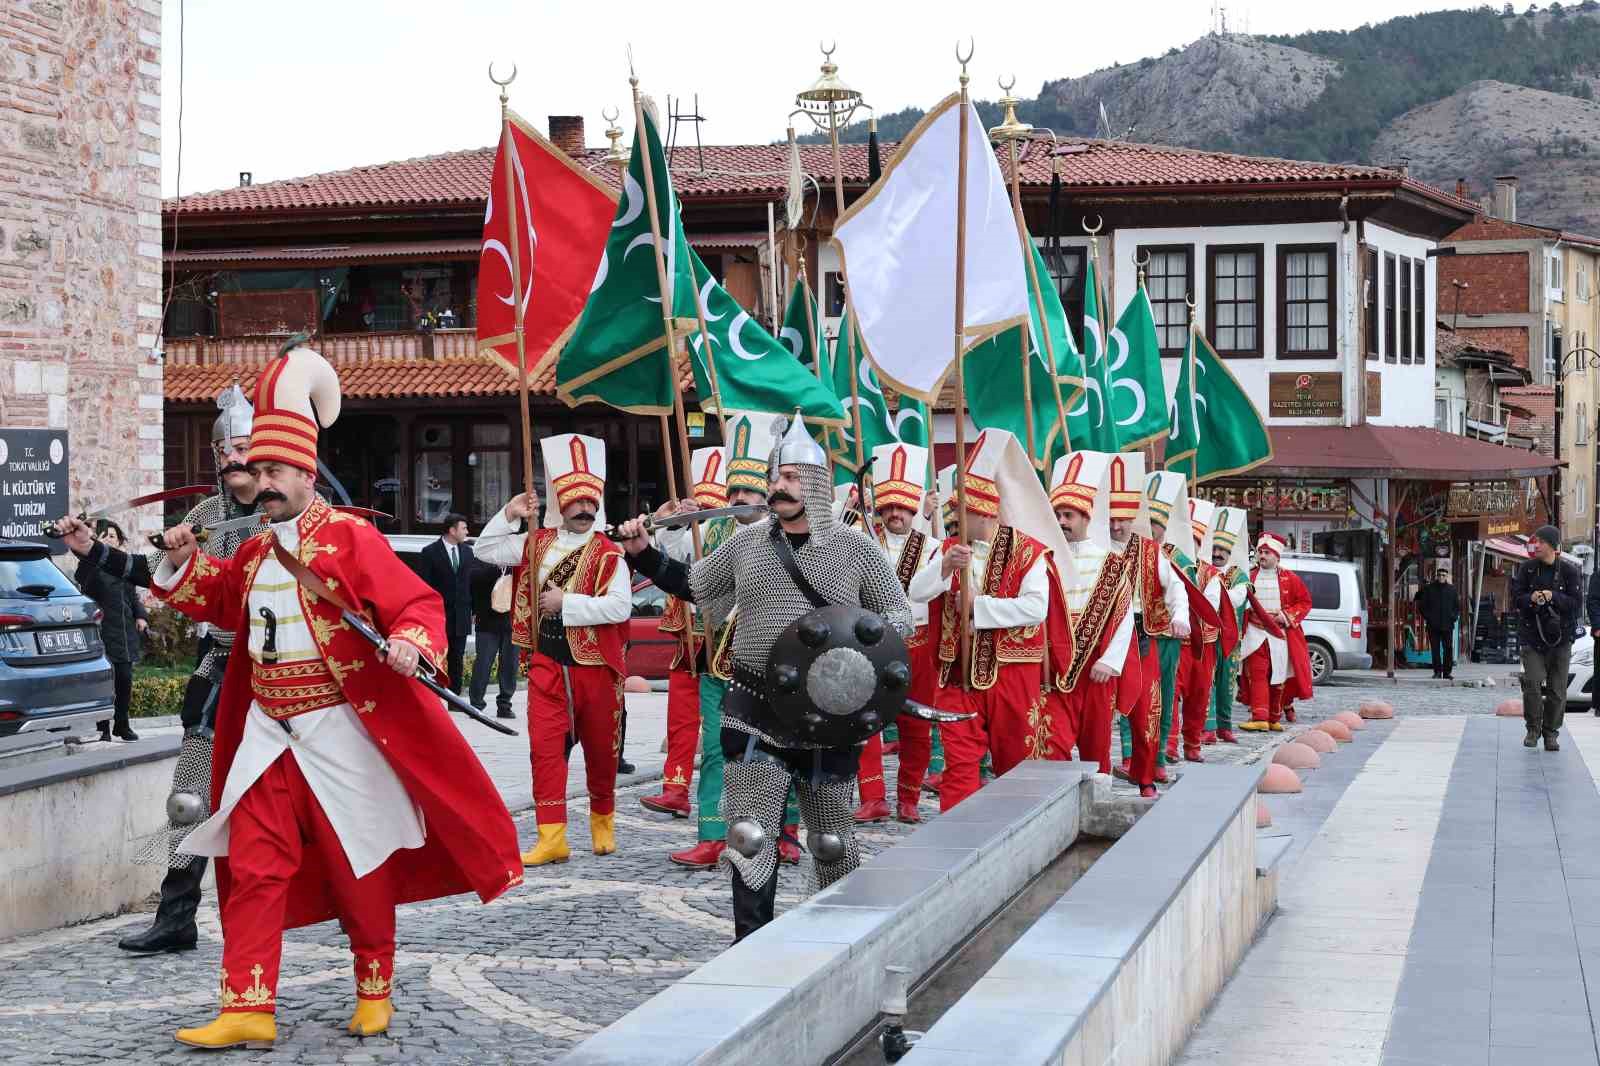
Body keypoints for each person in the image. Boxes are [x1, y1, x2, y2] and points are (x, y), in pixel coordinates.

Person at [133, 342, 522, 1049]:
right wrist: (180, 559)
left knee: (355, 859)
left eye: (275, 472)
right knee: (253, 862)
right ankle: (248, 1004)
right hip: (266, 731)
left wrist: (411, 642)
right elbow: (219, 600)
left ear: (306, 473)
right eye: (257, 472)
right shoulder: (253, 549)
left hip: (339, 726)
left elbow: (418, 604)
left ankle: (374, 982)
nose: (264, 483)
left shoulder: (351, 538)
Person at [617, 414, 912, 941]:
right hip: (756, 703)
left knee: (830, 841)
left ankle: (834, 946)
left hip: (827, 714)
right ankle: (749, 945)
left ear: (816, 484)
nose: (779, 486)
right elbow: (695, 586)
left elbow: (897, 616)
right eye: (776, 476)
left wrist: (856, 653)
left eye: (792, 477)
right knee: (749, 835)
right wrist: (643, 554)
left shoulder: (855, 548)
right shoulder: (748, 543)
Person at [55, 381, 264, 956]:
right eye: (223, 450)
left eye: (242, 446)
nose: (232, 458)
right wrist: (90, 549)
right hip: (220, 662)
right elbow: (153, 571)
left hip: (285, 668)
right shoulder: (203, 516)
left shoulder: (285, 511)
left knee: (309, 793)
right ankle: (176, 917)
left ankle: (346, 910)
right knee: (189, 798)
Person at [476, 434, 632, 866]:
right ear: (561, 504)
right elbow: (485, 550)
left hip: (596, 666)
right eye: (576, 501)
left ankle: (603, 822)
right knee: (544, 750)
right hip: (546, 662)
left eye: (590, 502)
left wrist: (568, 604)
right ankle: (552, 837)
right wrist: (510, 513)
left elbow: (620, 607)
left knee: (601, 753)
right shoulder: (536, 541)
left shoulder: (610, 554)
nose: (584, 508)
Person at [909, 429, 1073, 813]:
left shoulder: (1029, 551)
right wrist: (944, 568)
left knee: (1016, 764)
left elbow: (1036, 608)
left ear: (985, 513)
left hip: (1012, 674)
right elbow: (916, 592)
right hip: (958, 674)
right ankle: (958, 832)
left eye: (962, 513)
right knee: (959, 764)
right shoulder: (949, 549)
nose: (956, 519)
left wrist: (978, 609)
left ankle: (1015, 830)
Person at [1041, 453, 1143, 794]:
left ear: (1086, 517)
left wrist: (1110, 661)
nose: (1062, 521)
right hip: (1055, 667)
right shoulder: (1046, 558)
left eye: (1068, 515)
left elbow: (1124, 617)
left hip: (1095, 668)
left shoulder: (1111, 563)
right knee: (1052, 742)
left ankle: (1098, 804)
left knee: (1096, 744)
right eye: (1057, 515)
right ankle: (1056, 804)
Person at [640, 447, 728, 822]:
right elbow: (669, 552)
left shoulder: (738, 532)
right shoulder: (694, 530)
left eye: (710, 505)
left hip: (726, 641)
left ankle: (728, 800)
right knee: (680, 717)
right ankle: (675, 789)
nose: (704, 511)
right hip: (689, 636)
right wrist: (676, 521)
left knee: (721, 730)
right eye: (700, 504)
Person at [855, 442, 937, 825]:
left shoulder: (934, 548)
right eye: (888, 506)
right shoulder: (862, 542)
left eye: (902, 507)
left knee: (917, 725)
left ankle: (909, 798)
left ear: (914, 508)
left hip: (918, 644)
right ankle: (873, 797)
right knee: (864, 721)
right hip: (871, 644)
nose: (895, 514)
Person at [1108, 462, 1190, 786]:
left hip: (1141, 635)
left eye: (1122, 519)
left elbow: (1177, 587)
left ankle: (1147, 772)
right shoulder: (1096, 547)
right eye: (1111, 519)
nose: (1116, 526)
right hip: (1102, 636)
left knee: (1148, 705)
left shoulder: (1150, 552)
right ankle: (1103, 771)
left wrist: (1180, 616)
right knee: (1101, 710)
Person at [75, 520, 148, 742]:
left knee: (124, 680)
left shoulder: (125, 567)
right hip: (102, 632)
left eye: (113, 536)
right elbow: (81, 580)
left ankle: (122, 725)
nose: (109, 539)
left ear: (119, 541)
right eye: (104, 535)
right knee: (106, 682)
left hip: (125, 633)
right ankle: (103, 728)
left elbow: (133, 597)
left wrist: (141, 616)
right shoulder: (90, 566)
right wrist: (91, 552)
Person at [1512, 525, 1583, 751]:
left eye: (1541, 542)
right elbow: (1516, 599)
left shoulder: (1570, 571)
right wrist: (1531, 598)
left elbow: (1576, 604)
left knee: (1557, 689)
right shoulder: (1527, 569)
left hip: (1561, 638)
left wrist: (1554, 596)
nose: (1537, 545)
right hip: (1532, 636)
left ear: (1552, 545)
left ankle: (1551, 733)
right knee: (1532, 683)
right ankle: (1533, 729)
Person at [1239, 532, 1314, 731]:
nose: (1262, 556)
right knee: (1257, 673)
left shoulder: (1290, 578)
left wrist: (1286, 616)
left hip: (1279, 635)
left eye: (1267, 553)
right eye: (1260, 552)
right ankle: (1259, 717)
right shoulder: (1249, 576)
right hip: (1254, 633)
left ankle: (1273, 717)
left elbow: (1305, 602)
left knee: (1278, 675)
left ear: (1277, 556)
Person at [1172, 500, 1224, 764]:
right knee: (1170, 694)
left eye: (1193, 539)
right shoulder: (1167, 564)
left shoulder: (1210, 574)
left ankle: (1192, 744)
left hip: (1203, 645)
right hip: (1175, 643)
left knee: (1198, 696)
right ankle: (1169, 745)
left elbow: (1210, 606)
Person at [1204, 508, 1252, 745]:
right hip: (1207, 636)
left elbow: (1238, 598)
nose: (1217, 553)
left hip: (1230, 639)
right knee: (1207, 683)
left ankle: (1225, 726)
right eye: (1214, 548)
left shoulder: (1238, 575)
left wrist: (1214, 594)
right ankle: (1208, 728)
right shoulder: (1204, 570)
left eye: (1222, 549)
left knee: (1226, 684)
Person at [417, 513, 474, 693]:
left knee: (457, 660)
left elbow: (470, 584)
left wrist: (473, 611)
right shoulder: (430, 552)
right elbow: (425, 586)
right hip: (438, 617)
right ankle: (433, 696)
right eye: (464, 528)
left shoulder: (468, 552)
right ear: (452, 530)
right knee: (435, 659)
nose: (467, 532)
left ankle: (455, 699)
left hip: (461, 617)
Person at [467, 558, 517, 719]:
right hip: (486, 622)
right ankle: (476, 705)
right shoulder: (483, 556)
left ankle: (504, 705)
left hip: (512, 622)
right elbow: (474, 579)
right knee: (483, 663)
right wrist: (497, 569)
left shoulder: (516, 561)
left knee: (510, 665)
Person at [1415, 566, 1460, 680]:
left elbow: (1457, 607)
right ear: (1436, 576)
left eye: (1443, 575)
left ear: (1446, 577)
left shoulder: (1452, 590)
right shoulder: (1429, 589)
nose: (1441, 577)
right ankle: (1437, 672)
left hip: (1447, 625)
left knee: (1448, 649)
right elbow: (1422, 606)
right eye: (1439, 575)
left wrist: (1453, 617)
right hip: (1433, 625)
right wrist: (1429, 617)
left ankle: (1447, 672)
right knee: (1435, 650)